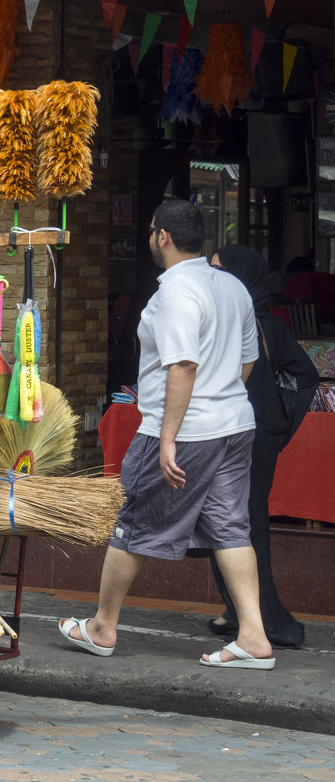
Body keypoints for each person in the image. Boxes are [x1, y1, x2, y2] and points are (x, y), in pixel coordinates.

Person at [58, 200, 275, 670]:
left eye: (153, 230)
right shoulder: (231, 286)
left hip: (181, 430)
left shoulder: (175, 292)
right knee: (232, 527)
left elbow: (182, 366)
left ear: (163, 237)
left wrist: (170, 437)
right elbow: (248, 359)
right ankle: (254, 636)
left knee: (132, 522)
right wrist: (219, 398)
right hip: (235, 425)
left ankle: (101, 628)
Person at [207, 244, 319, 648]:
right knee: (226, 520)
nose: (213, 278)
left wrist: (276, 420)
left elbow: (304, 374)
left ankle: (271, 622)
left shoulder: (260, 324)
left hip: (251, 435)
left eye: (221, 271)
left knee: (245, 524)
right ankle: (239, 609)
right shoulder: (236, 319)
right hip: (244, 430)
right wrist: (278, 419)